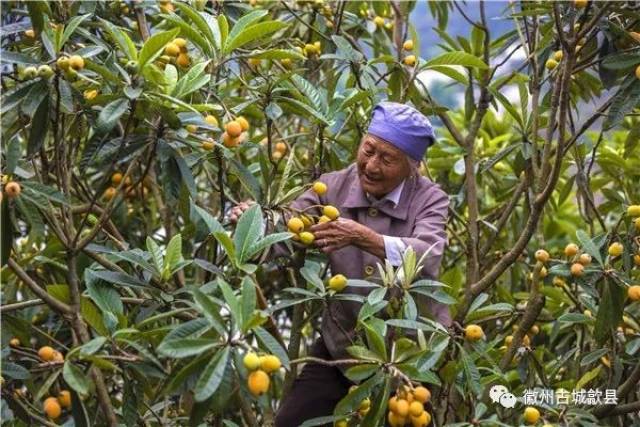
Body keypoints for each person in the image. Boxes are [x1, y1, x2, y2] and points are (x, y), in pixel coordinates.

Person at [229, 102, 451, 427]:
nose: (371, 165)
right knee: (291, 421)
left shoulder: (430, 199)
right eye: (368, 150)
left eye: (387, 159)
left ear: (412, 166)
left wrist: (364, 237)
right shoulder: (332, 186)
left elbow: (428, 253)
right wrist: (251, 222)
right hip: (342, 342)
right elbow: (289, 225)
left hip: (406, 353)